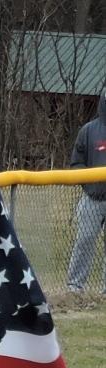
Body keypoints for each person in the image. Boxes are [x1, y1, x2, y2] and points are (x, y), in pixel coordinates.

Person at [67, 91, 106, 294]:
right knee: (84, 241)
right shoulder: (89, 130)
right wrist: (88, 184)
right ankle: (75, 287)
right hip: (91, 199)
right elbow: (77, 162)